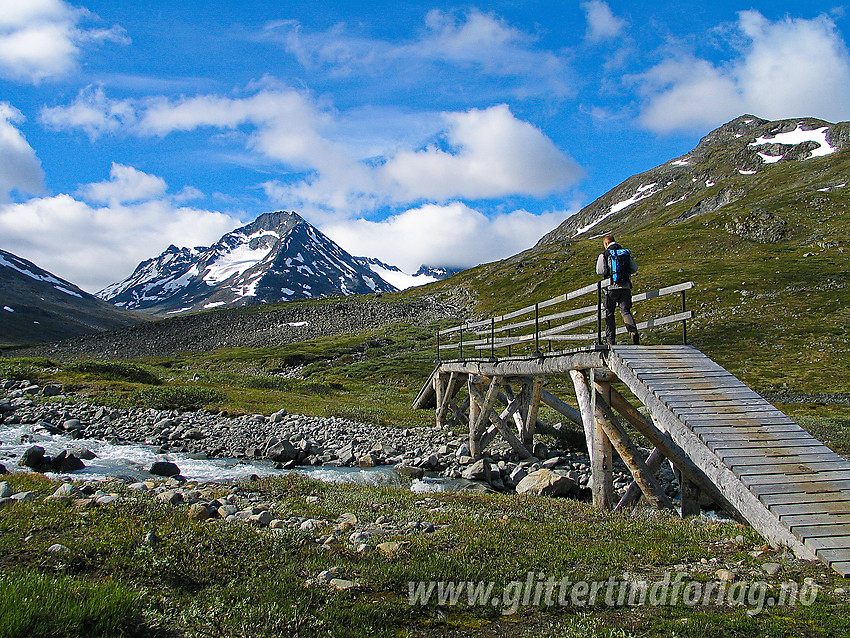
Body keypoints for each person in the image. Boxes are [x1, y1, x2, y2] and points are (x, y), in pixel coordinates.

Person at [595, 234, 640, 346]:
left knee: (609, 313)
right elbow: (634, 268)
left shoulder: (605, 254)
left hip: (611, 288)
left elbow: (600, 271)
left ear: (606, 244)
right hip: (625, 287)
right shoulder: (625, 253)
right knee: (625, 311)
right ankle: (633, 332)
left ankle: (610, 341)